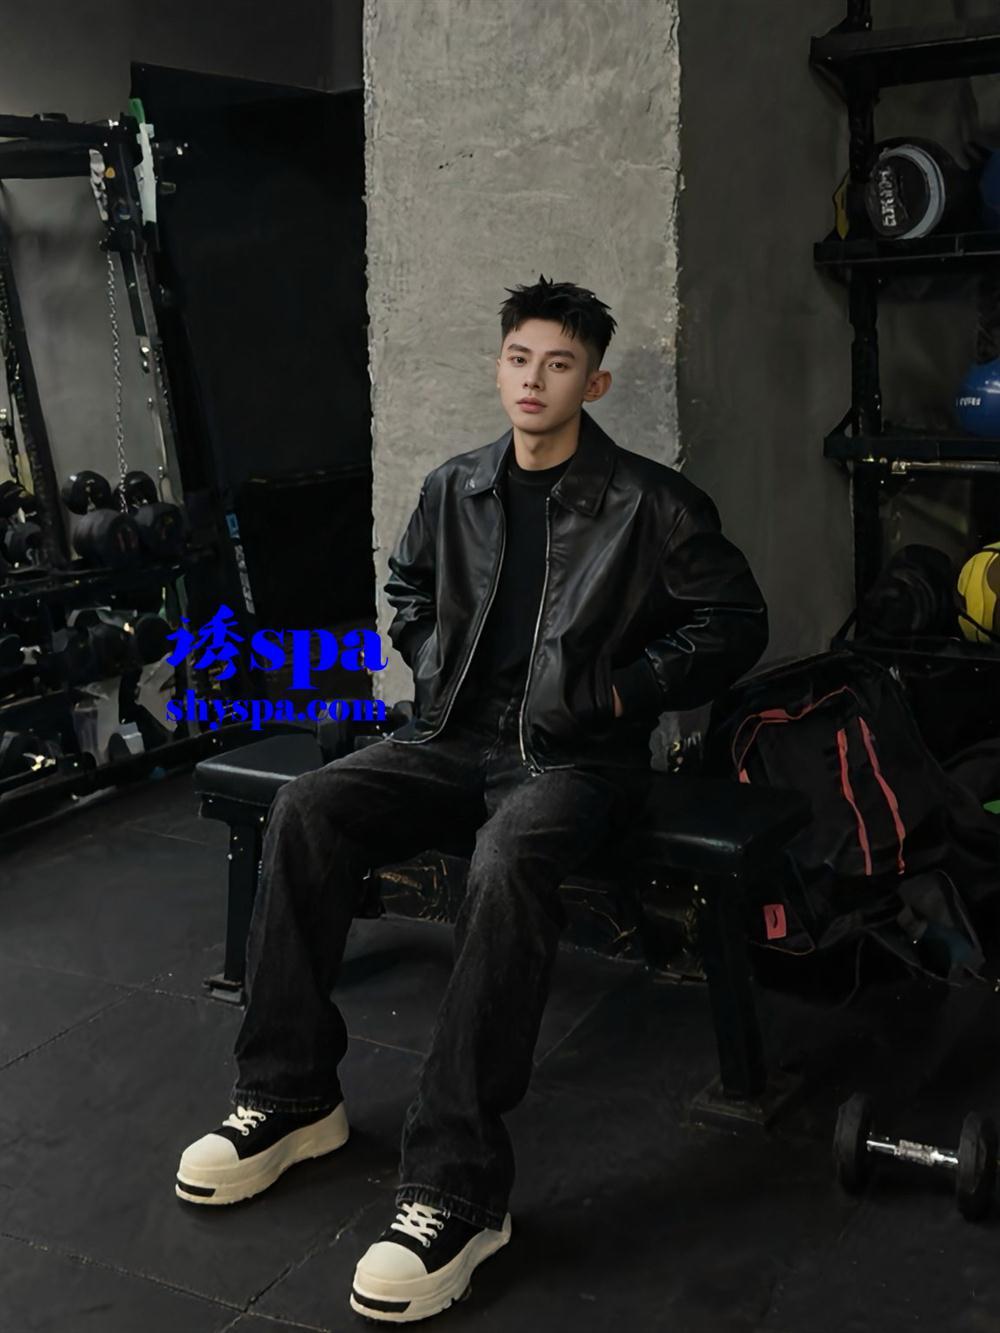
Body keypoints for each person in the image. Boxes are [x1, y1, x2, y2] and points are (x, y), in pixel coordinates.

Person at [174, 275, 769, 1323]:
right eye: (519, 358)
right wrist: (433, 657)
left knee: (507, 857)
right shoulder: (456, 487)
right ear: (499, 367)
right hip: (450, 738)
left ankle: (457, 1189)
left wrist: (621, 692)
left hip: (576, 762)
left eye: (559, 364)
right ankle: (288, 1094)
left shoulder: (654, 504)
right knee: (309, 806)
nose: (534, 380)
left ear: (594, 382)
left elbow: (733, 623)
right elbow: (406, 590)